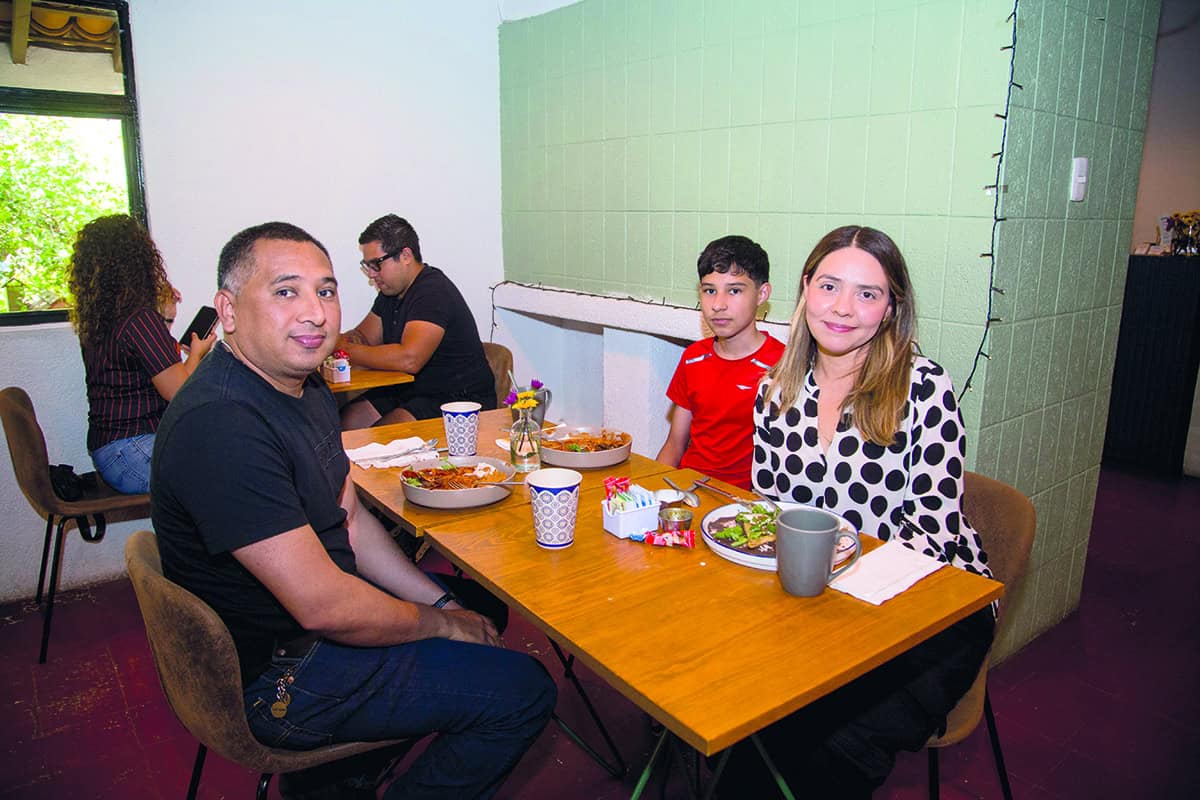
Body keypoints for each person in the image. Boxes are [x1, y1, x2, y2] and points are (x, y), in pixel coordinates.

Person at [151, 222, 555, 799]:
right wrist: (443, 623)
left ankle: (340, 779)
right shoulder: (221, 424)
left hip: (308, 627)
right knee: (525, 692)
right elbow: (324, 605)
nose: (315, 313)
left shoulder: (304, 388)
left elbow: (353, 523)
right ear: (228, 310)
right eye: (286, 291)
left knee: (480, 606)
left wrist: (444, 604)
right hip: (280, 676)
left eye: (326, 290)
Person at [725, 226, 996, 797]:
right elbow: (771, 516)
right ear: (805, 288)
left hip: (932, 606)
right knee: (737, 712)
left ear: (890, 307)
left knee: (831, 744)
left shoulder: (924, 388)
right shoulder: (774, 392)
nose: (843, 308)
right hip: (816, 598)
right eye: (829, 286)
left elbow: (928, 538)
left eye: (867, 293)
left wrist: (830, 625)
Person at [68, 214, 216, 494]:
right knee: (229, 470)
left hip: (111, 452)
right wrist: (198, 353)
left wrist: (167, 324)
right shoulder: (139, 319)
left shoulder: (102, 319)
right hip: (132, 451)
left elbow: (150, 371)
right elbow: (178, 391)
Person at [338, 214, 495, 429]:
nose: (372, 275)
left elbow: (409, 359)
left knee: (382, 435)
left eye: (376, 265)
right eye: (367, 266)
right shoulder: (390, 291)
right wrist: (336, 341)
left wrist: (345, 349)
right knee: (346, 422)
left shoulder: (432, 291)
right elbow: (363, 337)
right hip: (411, 389)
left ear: (405, 255)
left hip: (456, 399)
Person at [656, 235, 784, 490]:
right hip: (689, 490)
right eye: (709, 291)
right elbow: (674, 444)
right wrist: (652, 494)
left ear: (762, 294)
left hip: (746, 500)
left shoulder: (782, 364)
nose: (718, 305)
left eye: (734, 290)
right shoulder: (693, 357)